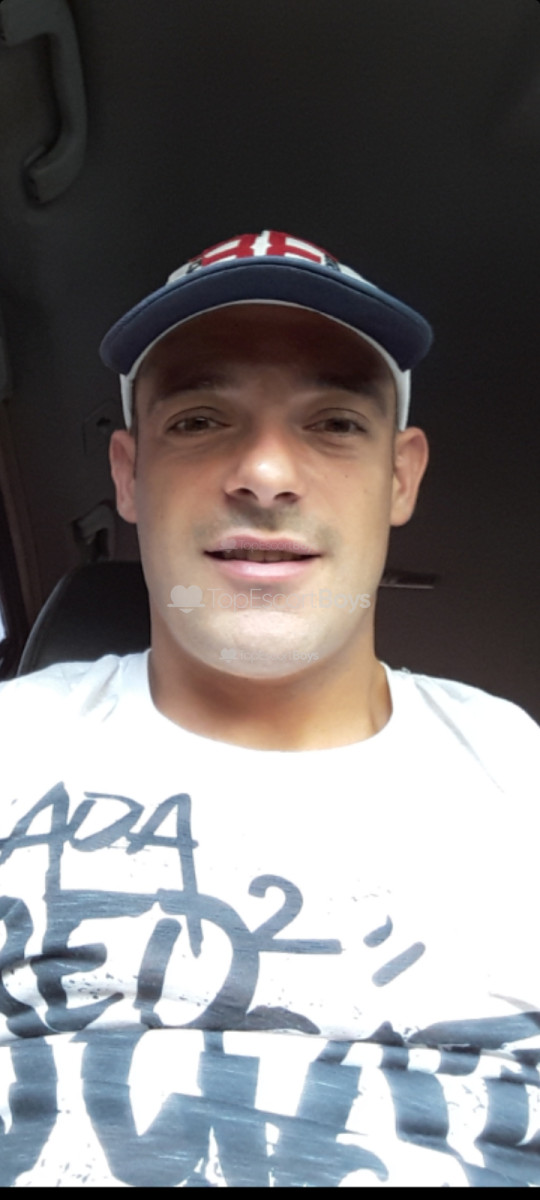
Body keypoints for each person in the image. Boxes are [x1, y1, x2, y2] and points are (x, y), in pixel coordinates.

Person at [0, 230, 538, 1188]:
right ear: (127, 474)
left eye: (333, 422)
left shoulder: (517, 773)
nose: (266, 471)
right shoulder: (14, 742)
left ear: (401, 477)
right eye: (200, 419)